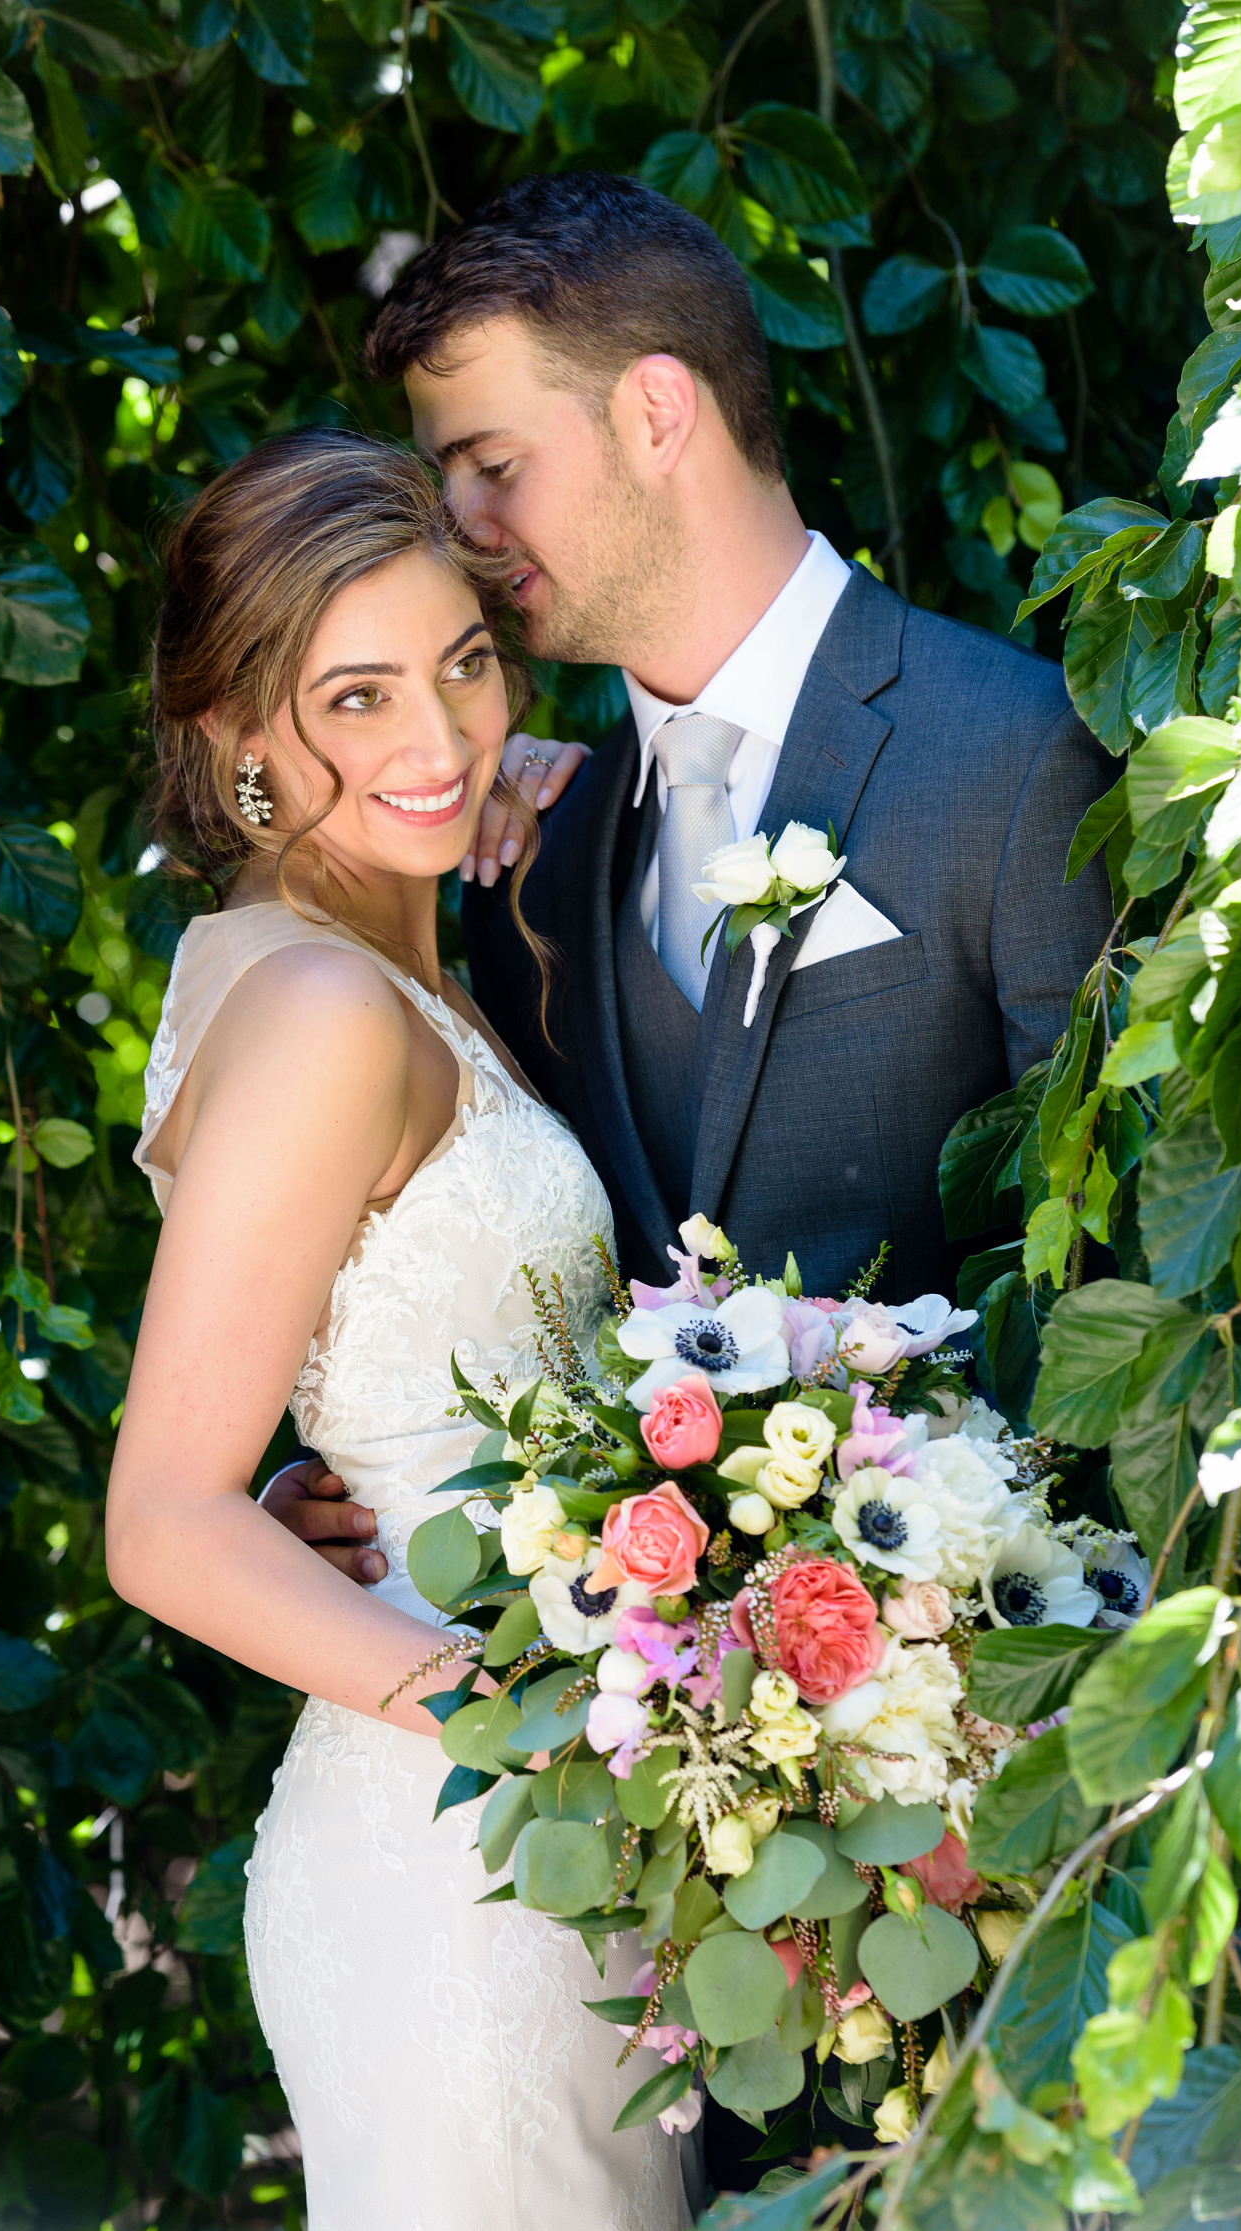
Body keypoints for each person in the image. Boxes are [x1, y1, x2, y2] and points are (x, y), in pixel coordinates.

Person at [278, 166, 1114, 1588]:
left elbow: (1102, 1294)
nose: (463, 529)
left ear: (657, 412)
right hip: (647, 1730)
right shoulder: (529, 852)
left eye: (494, 464)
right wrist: (347, 1468)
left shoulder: (1022, 753)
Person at [104, 427, 692, 2231]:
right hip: (465, 1857)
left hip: (528, 1841)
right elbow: (163, 1520)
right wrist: (520, 1724)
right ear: (236, 736)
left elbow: (348, 1355)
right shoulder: (329, 1014)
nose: (435, 731)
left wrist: (342, 1467)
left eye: (461, 660)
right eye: (355, 695)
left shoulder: (345, 966)